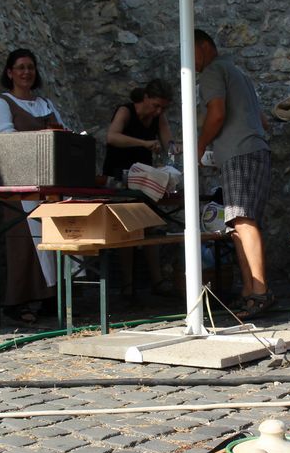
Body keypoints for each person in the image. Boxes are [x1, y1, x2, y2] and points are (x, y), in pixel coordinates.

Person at [194, 29, 275, 320]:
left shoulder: (213, 71)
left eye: (191, 52)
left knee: (242, 221)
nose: (190, 61)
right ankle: (249, 291)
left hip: (240, 153)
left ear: (204, 47)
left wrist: (199, 146)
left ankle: (259, 293)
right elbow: (263, 121)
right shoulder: (238, 73)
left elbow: (216, 113)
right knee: (240, 224)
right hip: (255, 150)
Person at [0, 48, 66, 325]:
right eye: (20, 67)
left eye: (30, 67)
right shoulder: (1, 105)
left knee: (54, 239)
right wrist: (41, 137)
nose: (26, 72)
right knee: (24, 243)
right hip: (19, 183)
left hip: (49, 182)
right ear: (10, 72)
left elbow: (61, 134)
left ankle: (52, 298)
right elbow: (6, 140)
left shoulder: (45, 104)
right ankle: (17, 302)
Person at [103, 79, 178, 301]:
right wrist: (143, 143)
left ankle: (157, 281)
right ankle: (127, 286)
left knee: (150, 225)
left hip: (144, 180)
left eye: (163, 107)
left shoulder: (159, 118)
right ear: (145, 98)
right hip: (120, 176)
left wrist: (181, 149)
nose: (158, 111)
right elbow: (112, 136)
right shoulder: (126, 111)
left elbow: (170, 144)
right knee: (128, 229)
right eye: (155, 105)